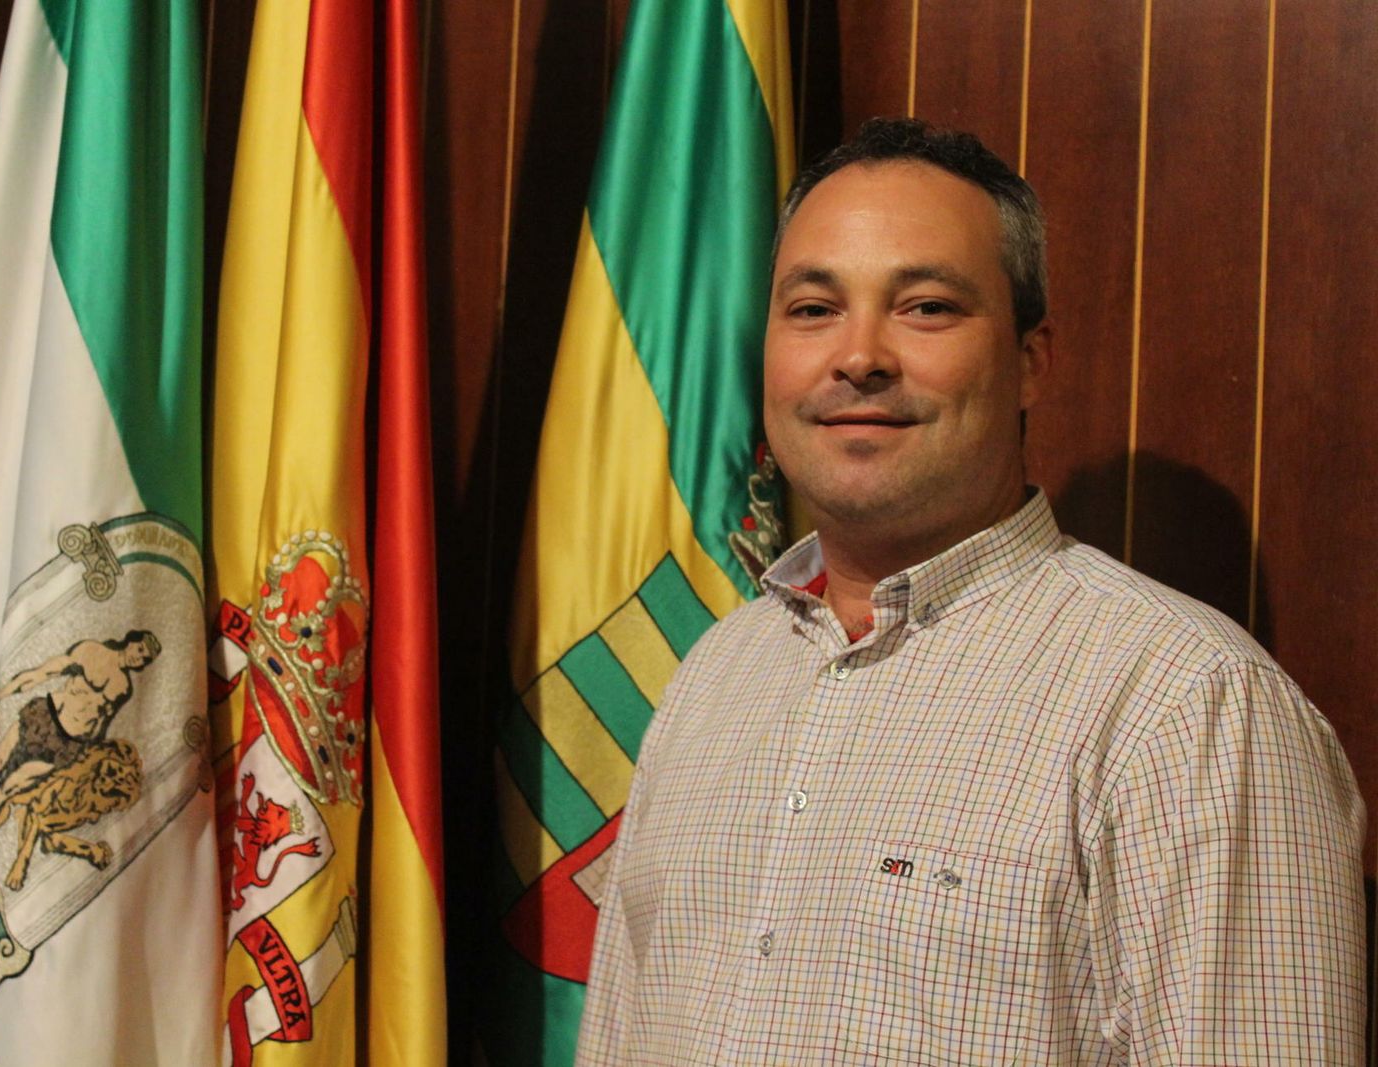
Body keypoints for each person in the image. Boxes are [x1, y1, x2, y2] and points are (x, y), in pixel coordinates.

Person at [575, 118, 1364, 1065]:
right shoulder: (715, 676)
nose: (857, 356)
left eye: (927, 308)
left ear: (1031, 359)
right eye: (814, 308)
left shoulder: (1190, 706)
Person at [0, 629, 161, 802]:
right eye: (140, 649)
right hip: (48, 716)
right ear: (131, 641)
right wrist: (0, 695)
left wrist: (88, 753)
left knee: (11, 787)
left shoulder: (124, 688)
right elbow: (42, 673)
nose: (138, 658)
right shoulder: (93, 651)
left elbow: (103, 724)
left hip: (70, 742)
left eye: (144, 659)